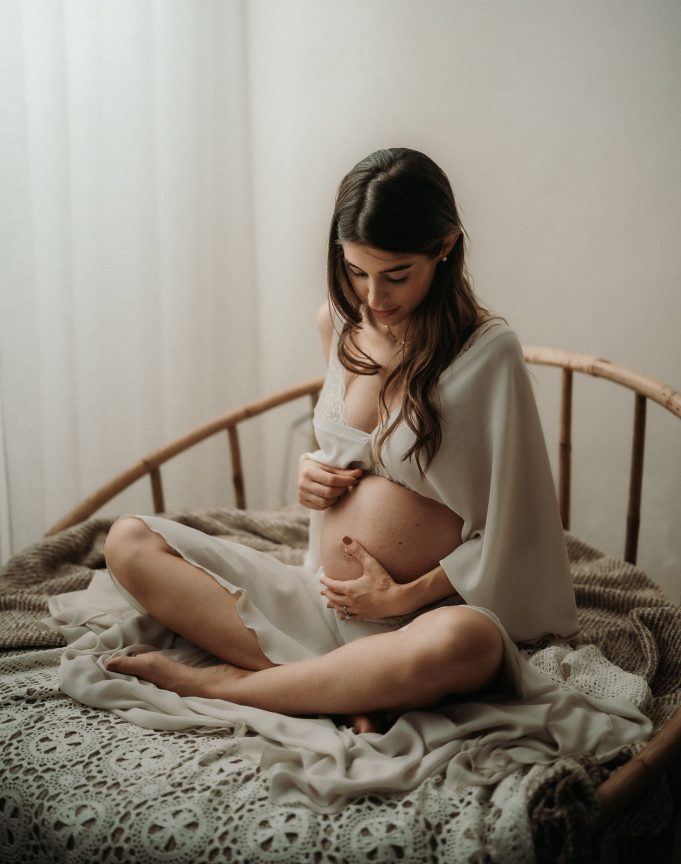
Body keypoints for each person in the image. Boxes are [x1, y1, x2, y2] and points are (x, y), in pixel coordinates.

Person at [103, 147, 579, 721]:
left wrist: (401, 597)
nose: (375, 299)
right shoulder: (340, 321)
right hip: (319, 599)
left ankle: (221, 687)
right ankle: (338, 685)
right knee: (127, 542)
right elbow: (350, 454)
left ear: (445, 247)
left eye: (396, 275)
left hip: (418, 621)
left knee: (469, 645)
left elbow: (516, 532)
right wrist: (312, 473)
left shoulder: (489, 354)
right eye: (357, 272)